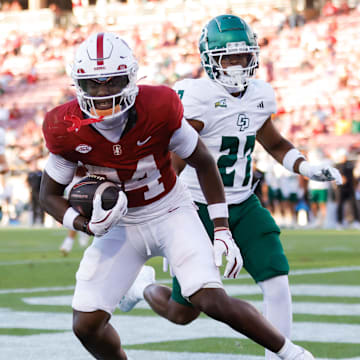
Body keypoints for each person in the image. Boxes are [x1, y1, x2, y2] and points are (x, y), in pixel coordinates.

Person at [40, 32, 315, 360]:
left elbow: (203, 161)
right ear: (79, 86)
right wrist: (85, 225)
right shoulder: (64, 126)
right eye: (93, 84)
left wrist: (222, 228)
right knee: (85, 325)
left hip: (170, 210)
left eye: (112, 82)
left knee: (209, 299)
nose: (103, 93)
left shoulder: (159, 106)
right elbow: (49, 194)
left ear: (131, 79)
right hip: (121, 226)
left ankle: (294, 355)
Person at [120, 16, 342, 360]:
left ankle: (282, 356)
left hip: (243, 202)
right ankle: (142, 287)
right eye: (228, 57)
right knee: (184, 312)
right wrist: (170, 226)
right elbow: (172, 164)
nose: (237, 64)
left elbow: (276, 143)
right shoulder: (196, 97)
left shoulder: (260, 95)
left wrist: (307, 167)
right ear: (210, 59)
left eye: (242, 56)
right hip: (195, 207)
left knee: (276, 279)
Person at [60, 165, 91, 256]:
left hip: (90, 179)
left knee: (85, 210)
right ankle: (70, 240)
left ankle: (82, 232)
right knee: (74, 210)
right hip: (74, 179)